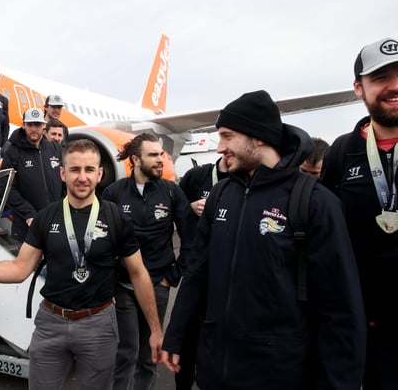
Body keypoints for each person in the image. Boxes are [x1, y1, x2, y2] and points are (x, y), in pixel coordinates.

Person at [161, 90, 366, 389]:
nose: (220, 148)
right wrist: (177, 334)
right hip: (216, 371)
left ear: (258, 137)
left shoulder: (314, 202)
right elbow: (197, 274)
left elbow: (340, 306)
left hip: (280, 374)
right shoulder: (221, 195)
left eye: (227, 136)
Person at [0, 139, 164, 389]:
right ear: (62, 173)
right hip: (52, 323)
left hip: (98, 323)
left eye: (89, 169)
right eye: (75, 169)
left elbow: (139, 274)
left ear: (100, 173)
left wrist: (155, 329)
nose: (82, 177)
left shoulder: (115, 217)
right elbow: (20, 268)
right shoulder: (46, 217)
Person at [321, 37, 398, 389]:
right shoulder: (343, 152)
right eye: (381, 77)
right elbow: (326, 239)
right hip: (369, 326)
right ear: (359, 88)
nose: (394, 86)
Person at [101, 132, 187, 390]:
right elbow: (102, 243)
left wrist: (171, 276)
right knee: (126, 351)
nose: (161, 160)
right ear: (136, 160)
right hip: (124, 286)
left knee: (150, 356)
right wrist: (108, 284)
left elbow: (192, 241)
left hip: (157, 285)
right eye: (154, 155)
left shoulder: (172, 192)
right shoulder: (114, 193)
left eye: (161, 154)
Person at [174, 156, 229, 389]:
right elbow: (176, 204)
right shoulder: (198, 176)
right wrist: (189, 206)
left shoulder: (245, 180)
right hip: (196, 270)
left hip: (226, 274)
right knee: (187, 338)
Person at [1, 108, 64, 243]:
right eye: (30, 125)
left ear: (44, 126)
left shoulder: (55, 149)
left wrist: (61, 209)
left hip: (55, 221)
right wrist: (28, 212)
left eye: (37, 125)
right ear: (23, 125)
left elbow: (66, 182)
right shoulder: (13, 151)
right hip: (26, 223)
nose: (34, 129)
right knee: (25, 264)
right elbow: (7, 188)